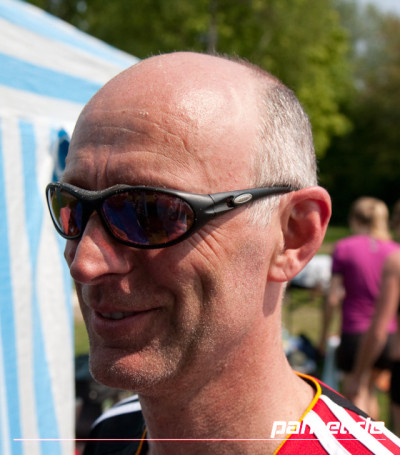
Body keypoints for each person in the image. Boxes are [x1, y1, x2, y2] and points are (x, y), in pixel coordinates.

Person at [45, 52, 400, 454]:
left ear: (293, 236)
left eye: (150, 213)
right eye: (73, 207)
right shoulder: (112, 432)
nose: (85, 263)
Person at [319, 197, 399, 418]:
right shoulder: (394, 250)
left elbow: (333, 297)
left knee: (355, 394)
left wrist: (324, 335)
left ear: (354, 219)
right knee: (370, 392)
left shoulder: (344, 248)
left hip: (355, 331)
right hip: (389, 335)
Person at [347, 201, 400, 436]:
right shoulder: (390, 250)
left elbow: (379, 327)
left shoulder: (396, 261)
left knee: (363, 393)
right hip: (389, 343)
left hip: (358, 331)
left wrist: (359, 375)